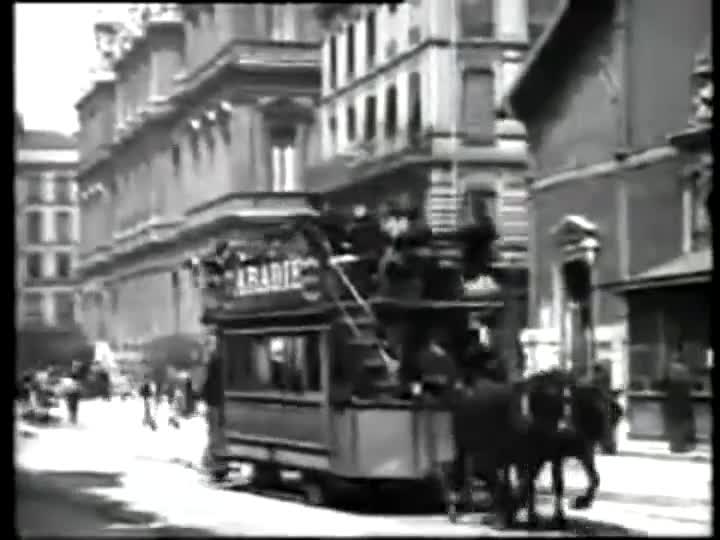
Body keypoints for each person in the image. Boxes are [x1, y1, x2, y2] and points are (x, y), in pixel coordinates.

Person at [201, 332, 229, 481]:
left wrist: (203, 395)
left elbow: (208, 382)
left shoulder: (214, 361)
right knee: (219, 433)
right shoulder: (221, 360)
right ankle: (216, 462)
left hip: (214, 402)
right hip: (220, 402)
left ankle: (215, 463)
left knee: (215, 433)